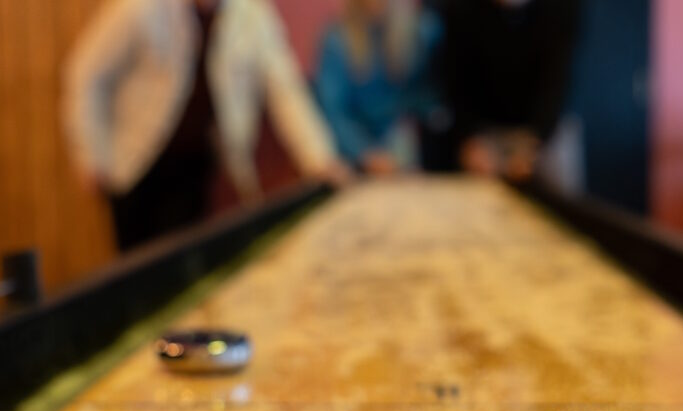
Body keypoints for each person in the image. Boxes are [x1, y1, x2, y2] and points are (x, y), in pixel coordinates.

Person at [65, 0, 350, 251]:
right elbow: (87, 75)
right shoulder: (142, 8)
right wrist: (91, 153)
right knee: (134, 267)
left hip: (193, 169)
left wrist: (320, 159)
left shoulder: (252, 14)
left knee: (176, 264)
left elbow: (285, 89)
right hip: (135, 164)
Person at [440, 0, 580, 180]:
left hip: (545, 131)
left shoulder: (562, 9)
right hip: (484, 133)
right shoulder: (460, 12)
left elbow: (557, 84)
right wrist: (468, 138)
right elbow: (456, 86)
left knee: (558, 192)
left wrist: (534, 144)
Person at [314, 0, 443, 175]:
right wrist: (365, 152)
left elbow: (429, 95)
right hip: (357, 160)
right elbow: (334, 111)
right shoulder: (336, 40)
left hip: (406, 149)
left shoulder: (420, 30)